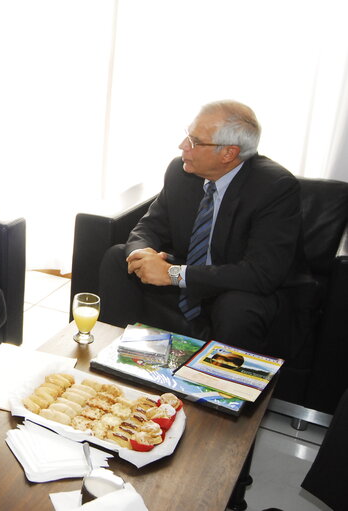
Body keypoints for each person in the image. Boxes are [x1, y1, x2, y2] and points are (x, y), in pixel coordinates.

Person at [99, 100, 302, 354]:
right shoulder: (181, 172)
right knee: (119, 257)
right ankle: (115, 359)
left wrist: (173, 273)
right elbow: (149, 226)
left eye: (194, 141)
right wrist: (145, 254)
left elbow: (261, 274)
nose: (183, 146)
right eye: (187, 135)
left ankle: (219, 386)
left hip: (237, 288)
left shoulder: (275, 188)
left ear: (228, 153)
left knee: (237, 307)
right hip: (189, 275)